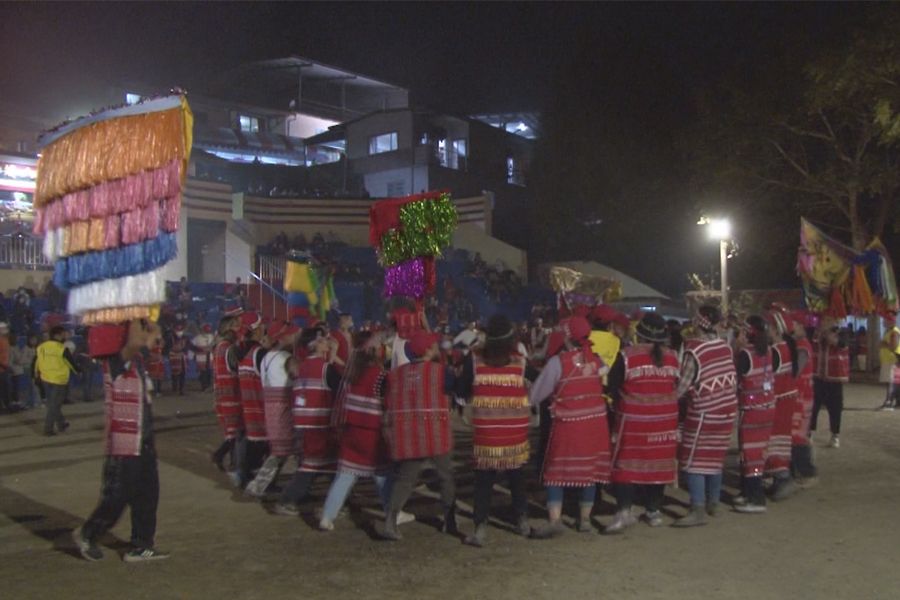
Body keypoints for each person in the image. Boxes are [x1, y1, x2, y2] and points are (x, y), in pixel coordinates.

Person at [72, 319, 170, 562]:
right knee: (117, 496)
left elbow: (152, 340)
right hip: (125, 442)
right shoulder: (116, 360)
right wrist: (137, 314)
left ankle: (141, 545)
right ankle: (88, 533)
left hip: (142, 439)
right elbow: (137, 340)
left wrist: (151, 322)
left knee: (148, 494)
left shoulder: (134, 361)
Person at [319, 331, 412, 531]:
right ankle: (392, 512)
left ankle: (327, 516)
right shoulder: (380, 376)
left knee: (344, 477)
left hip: (351, 431)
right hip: (371, 433)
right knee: (382, 474)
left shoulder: (353, 372)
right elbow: (388, 401)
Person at [528, 316, 611, 537]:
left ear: (566, 337)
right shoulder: (598, 360)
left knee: (555, 471)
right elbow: (601, 372)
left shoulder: (558, 362)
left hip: (568, 424)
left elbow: (536, 394)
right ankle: (584, 520)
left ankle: (555, 520)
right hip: (595, 424)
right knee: (589, 472)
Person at [456, 315, 533, 546]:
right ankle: (522, 521)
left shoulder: (475, 360)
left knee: (483, 481)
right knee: (516, 477)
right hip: (514, 432)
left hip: (487, 432)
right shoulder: (519, 361)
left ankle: (480, 527)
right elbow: (538, 380)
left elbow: (461, 389)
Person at [604, 312, 680, 533]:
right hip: (664, 421)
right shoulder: (673, 357)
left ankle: (624, 511)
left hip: (634, 421)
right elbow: (675, 384)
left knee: (627, 465)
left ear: (639, 333)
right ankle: (654, 510)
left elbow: (612, 385)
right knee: (658, 463)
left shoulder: (627, 356)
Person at [381, 331, 458, 541]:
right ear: (427, 350)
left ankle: (390, 520)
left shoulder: (395, 375)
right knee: (445, 476)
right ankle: (449, 520)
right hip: (435, 431)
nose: (436, 348)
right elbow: (455, 390)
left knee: (405, 478)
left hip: (408, 433)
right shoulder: (441, 372)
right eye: (433, 346)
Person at [673, 305, 737, 527]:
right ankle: (714, 503)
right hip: (727, 410)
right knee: (715, 458)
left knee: (694, 461)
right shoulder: (725, 347)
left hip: (704, 412)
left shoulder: (694, 351)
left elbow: (682, 387)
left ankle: (697, 508)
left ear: (699, 324)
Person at [274, 326, 341, 515]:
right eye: (324, 339)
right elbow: (342, 387)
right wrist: (334, 355)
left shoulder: (303, 365)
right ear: (316, 345)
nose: (328, 342)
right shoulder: (325, 368)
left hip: (304, 423)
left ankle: (335, 503)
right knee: (313, 466)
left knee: (325, 466)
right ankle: (288, 499)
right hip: (317, 424)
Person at [244, 320, 299, 498]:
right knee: (282, 450)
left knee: (279, 449)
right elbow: (298, 377)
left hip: (270, 406)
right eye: (292, 334)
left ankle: (265, 484)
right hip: (283, 405)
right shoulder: (286, 358)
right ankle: (259, 485)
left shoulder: (267, 356)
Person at [733, 315, 775, 513]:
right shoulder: (768, 351)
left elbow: (735, 377)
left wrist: (735, 348)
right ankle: (747, 492)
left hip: (751, 410)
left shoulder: (745, 354)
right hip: (767, 408)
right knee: (758, 452)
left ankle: (756, 499)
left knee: (750, 454)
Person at [764, 309, 801, 501]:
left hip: (780, 400)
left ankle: (782, 478)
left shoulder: (777, 350)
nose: (766, 330)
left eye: (768, 327)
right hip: (786, 399)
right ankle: (780, 478)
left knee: (775, 439)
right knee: (780, 438)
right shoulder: (786, 347)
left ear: (776, 329)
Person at [236, 312, 269, 485]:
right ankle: (257, 483)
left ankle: (245, 477)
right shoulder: (259, 353)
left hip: (249, 407)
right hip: (261, 408)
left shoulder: (242, 352)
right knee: (265, 449)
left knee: (254, 446)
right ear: (256, 331)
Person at [212, 315, 243, 482]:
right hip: (231, 394)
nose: (240, 329)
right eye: (237, 326)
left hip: (223, 394)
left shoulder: (219, 346)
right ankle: (220, 456)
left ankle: (232, 462)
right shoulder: (228, 348)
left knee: (233, 432)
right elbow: (236, 369)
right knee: (236, 432)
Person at [35, 325, 79, 435]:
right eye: (64, 334)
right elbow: (71, 363)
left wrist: (36, 375)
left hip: (45, 378)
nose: (65, 336)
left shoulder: (41, 347)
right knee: (54, 405)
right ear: (58, 335)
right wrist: (79, 372)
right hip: (59, 380)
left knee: (53, 403)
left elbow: (36, 362)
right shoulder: (62, 348)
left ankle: (61, 423)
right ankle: (48, 429)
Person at [811, 319, 849, 448]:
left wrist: (830, 336)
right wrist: (821, 333)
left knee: (835, 408)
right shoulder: (815, 333)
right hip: (818, 377)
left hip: (835, 378)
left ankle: (835, 435)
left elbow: (841, 344)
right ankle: (809, 432)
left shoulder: (841, 332)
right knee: (813, 406)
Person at [790, 311, 817, 486]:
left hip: (802, 397)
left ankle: (808, 472)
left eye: (793, 324)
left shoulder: (802, 347)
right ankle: (798, 471)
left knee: (797, 436)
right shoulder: (799, 344)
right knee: (795, 435)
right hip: (799, 396)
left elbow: (795, 371)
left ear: (801, 326)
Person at [879, 314, 900, 409]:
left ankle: (889, 401)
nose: (883, 322)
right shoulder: (888, 331)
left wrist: (884, 344)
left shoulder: (894, 332)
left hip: (891, 359)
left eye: (885, 320)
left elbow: (894, 346)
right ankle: (894, 400)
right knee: (891, 381)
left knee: (890, 381)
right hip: (887, 359)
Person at [11, 335, 37, 408]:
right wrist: (27, 361)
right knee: (26, 387)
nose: (34, 341)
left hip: (30, 368)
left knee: (31, 386)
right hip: (25, 369)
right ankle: (27, 403)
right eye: (32, 340)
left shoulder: (32, 348)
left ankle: (31, 402)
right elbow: (21, 360)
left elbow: (30, 360)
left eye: (35, 340)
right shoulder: (25, 348)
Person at [191, 324, 215, 392]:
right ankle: (204, 386)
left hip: (210, 358)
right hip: (201, 358)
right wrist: (198, 350)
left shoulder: (212, 337)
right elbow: (191, 346)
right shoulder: (197, 338)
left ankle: (209, 386)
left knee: (209, 373)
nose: (207, 332)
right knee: (203, 373)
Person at [168, 324, 188, 396]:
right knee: (175, 374)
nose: (179, 332)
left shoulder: (185, 337)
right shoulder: (171, 338)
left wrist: (200, 349)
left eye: (180, 330)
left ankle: (181, 389)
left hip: (182, 358)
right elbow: (168, 347)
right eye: (178, 330)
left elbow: (189, 345)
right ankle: (174, 387)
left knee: (183, 373)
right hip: (175, 358)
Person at [0, 325, 15, 412]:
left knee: (6, 388)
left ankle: (7, 406)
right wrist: (4, 366)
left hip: (4, 368)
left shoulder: (5, 340)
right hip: (2, 369)